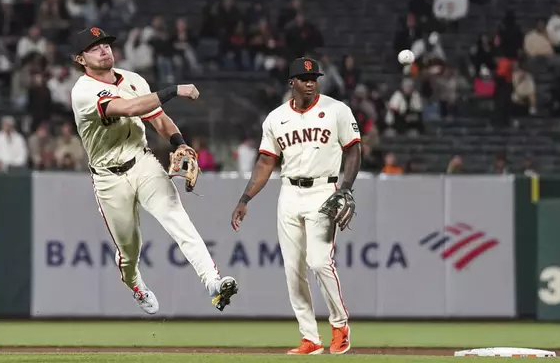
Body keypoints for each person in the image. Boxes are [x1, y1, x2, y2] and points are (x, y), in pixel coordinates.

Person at [70, 27, 238, 315]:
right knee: (129, 249)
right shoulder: (82, 91)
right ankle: (135, 284)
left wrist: (180, 143)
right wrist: (174, 90)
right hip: (109, 177)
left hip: (142, 160)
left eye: (106, 44)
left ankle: (213, 282)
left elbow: (158, 119)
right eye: (94, 47)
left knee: (177, 217)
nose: (103, 49)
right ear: (81, 59)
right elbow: (131, 108)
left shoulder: (133, 79)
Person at [230, 57, 361, 355]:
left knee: (318, 261)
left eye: (314, 77)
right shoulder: (276, 118)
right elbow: (265, 161)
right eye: (304, 78)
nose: (311, 82)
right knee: (293, 269)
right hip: (289, 193)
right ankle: (310, 338)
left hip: (324, 191)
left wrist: (346, 188)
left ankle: (340, 324)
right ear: (292, 83)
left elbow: (354, 150)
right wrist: (245, 199)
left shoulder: (337, 110)